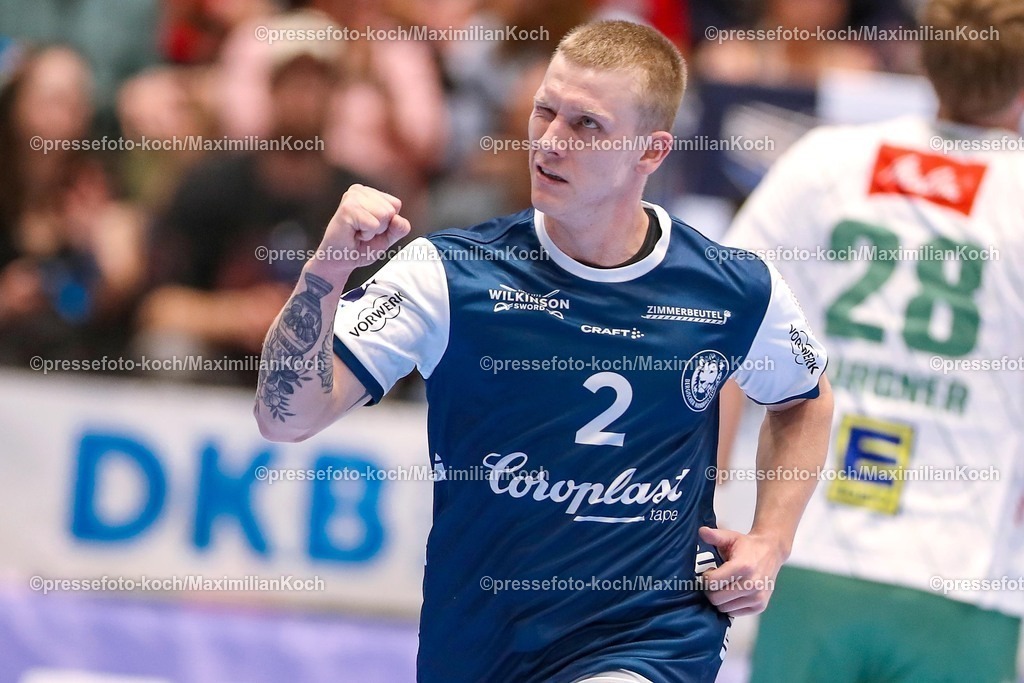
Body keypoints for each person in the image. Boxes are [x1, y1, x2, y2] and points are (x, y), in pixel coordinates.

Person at [255, 20, 833, 683]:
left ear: (652, 151)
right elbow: (286, 417)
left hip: (651, 638)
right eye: (545, 110)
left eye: (587, 125)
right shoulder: (451, 276)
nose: (550, 141)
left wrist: (771, 539)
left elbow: (805, 401)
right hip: (479, 644)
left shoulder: (730, 288)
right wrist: (327, 270)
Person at [721, 0, 1024, 680]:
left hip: (811, 559)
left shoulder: (829, 160)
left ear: (923, 54)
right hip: (965, 582)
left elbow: (716, 324)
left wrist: (699, 495)